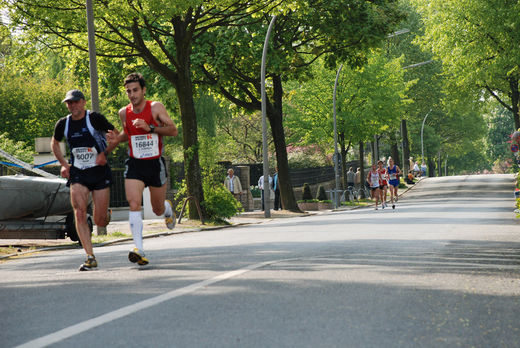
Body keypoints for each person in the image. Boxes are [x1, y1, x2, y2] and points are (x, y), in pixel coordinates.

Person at [108, 73, 178, 266]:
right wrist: (116, 137)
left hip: (155, 164)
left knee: (156, 209)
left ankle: (166, 209)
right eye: (128, 91)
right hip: (135, 163)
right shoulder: (124, 112)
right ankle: (139, 249)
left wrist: (151, 128)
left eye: (135, 90)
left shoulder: (155, 107)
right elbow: (127, 134)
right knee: (133, 202)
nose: (132, 94)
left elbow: (173, 130)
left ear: (144, 90)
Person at [51, 89, 119, 271]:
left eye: (74, 102)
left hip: (99, 171)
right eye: (68, 103)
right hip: (78, 172)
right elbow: (55, 143)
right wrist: (64, 164)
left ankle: (106, 215)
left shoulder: (95, 118)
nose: (72, 106)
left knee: (100, 221)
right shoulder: (63, 124)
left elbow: (117, 135)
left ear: (82, 102)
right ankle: (90, 256)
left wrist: (105, 153)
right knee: (79, 213)